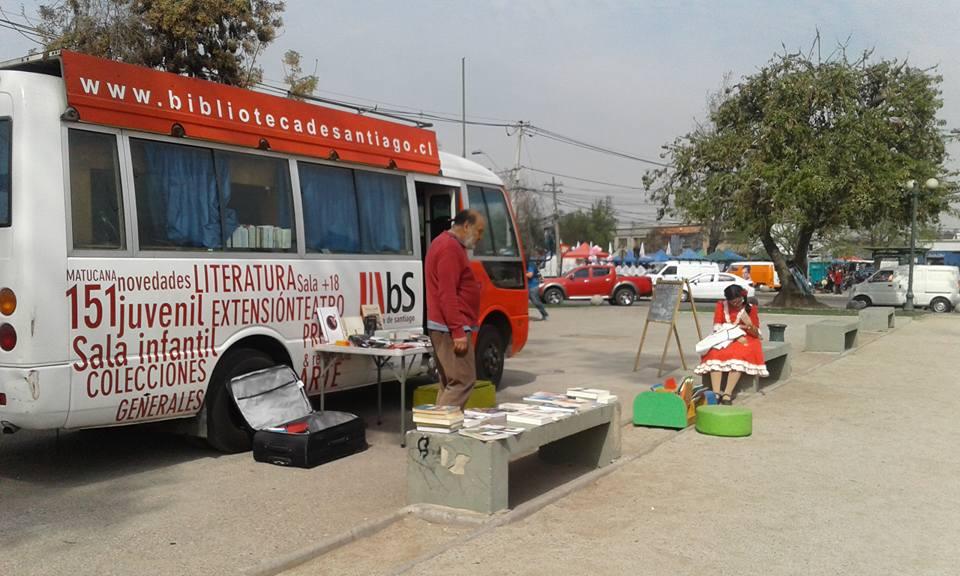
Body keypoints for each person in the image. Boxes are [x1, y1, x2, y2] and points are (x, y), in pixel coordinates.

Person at [425, 209, 486, 409]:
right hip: (449, 328)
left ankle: (437, 430)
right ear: (466, 226)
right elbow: (447, 294)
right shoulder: (449, 248)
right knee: (462, 381)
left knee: (449, 383)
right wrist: (458, 331)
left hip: (446, 326)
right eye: (479, 231)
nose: (480, 237)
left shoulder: (446, 244)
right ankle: (439, 431)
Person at [694, 284, 768, 404]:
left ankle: (727, 393)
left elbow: (756, 333)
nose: (735, 304)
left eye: (738, 301)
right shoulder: (721, 306)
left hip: (747, 338)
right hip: (724, 337)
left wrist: (748, 324)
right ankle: (716, 393)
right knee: (714, 353)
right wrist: (735, 334)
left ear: (742, 296)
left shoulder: (750, 308)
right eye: (732, 302)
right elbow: (717, 326)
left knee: (738, 355)